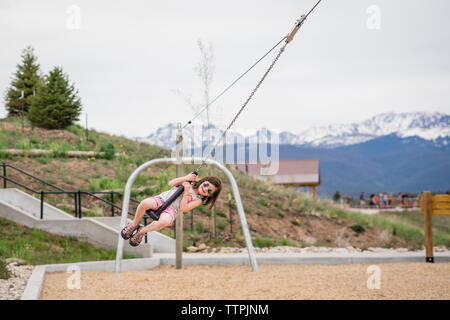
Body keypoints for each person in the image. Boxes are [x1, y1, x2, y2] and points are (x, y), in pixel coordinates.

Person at [121, 172, 222, 246]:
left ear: (210, 196)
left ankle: (142, 231)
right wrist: (186, 177)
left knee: (163, 222)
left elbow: (183, 208)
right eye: (206, 185)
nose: (205, 189)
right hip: (162, 199)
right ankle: (134, 224)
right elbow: (171, 183)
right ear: (204, 181)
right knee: (144, 203)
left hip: (171, 210)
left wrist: (186, 191)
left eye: (209, 191)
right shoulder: (189, 182)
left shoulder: (198, 200)